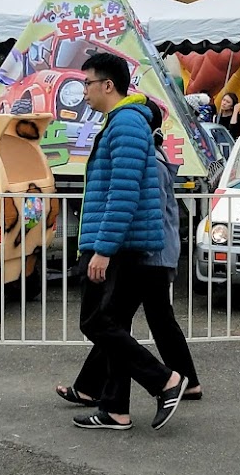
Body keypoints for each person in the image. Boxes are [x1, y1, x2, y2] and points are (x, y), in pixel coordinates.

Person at [67, 50, 188, 431]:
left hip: (117, 245)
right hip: (120, 242)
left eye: (87, 83)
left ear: (108, 85)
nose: (83, 90)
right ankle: (115, 408)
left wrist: (102, 249)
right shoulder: (122, 122)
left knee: (96, 322)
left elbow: (124, 190)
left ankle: (164, 379)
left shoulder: (126, 124)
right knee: (112, 323)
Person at [55, 99, 202, 409]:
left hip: (149, 254)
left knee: (112, 324)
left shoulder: (150, 160)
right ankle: (99, 390)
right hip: (151, 252)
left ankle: (164, 381)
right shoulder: (153, 156)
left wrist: (109, 247)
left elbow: (141, 208)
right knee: (126, 323)